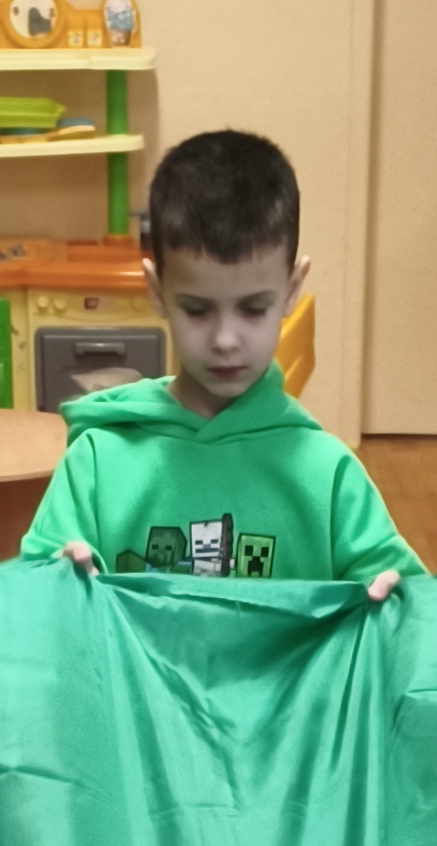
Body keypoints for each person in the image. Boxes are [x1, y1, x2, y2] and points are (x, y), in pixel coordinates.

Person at [26, 130, 414, 593]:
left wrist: (397, 598)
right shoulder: (98, 462)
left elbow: (411, 599)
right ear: (157, 291)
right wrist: (53, 579)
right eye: (197, 310)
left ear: (291, 290)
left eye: (253, 309)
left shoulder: (328, 477)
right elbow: (33, 587)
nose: (225, 340)